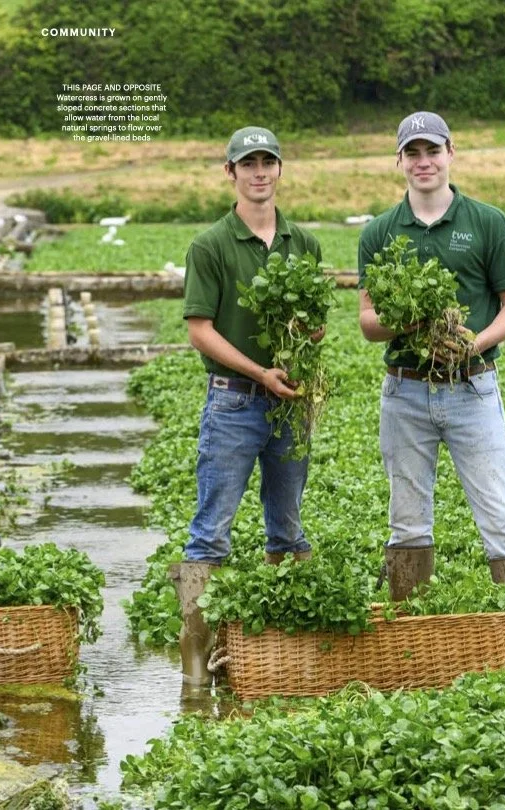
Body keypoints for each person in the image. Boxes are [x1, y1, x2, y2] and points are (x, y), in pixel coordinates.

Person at [357, 111, 505, 663]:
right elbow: (369, 324)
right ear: (399, 161)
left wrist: (474, 342)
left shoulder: (487, 222)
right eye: (412, 153)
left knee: (500, 517)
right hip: (405, 393)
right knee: (407, 521)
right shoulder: (379, 232)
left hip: (472, 389)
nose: (423, 162)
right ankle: (408, 646)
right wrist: (414, 323)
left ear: (450, 153)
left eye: (432, 151)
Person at [169, 126, 324, 692]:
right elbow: (199, 330)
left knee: (287, 529)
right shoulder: (210, 245)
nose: (260, 172)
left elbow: (312, 323)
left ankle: (283, 660)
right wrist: (258, 372)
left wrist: (310, 336)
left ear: (280, 171)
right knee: (211, 534)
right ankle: (195, 674)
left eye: (268, 162)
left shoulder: (303, 244)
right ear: (229, 172)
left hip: (290, 406)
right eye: (248, 163)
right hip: (233, 402)